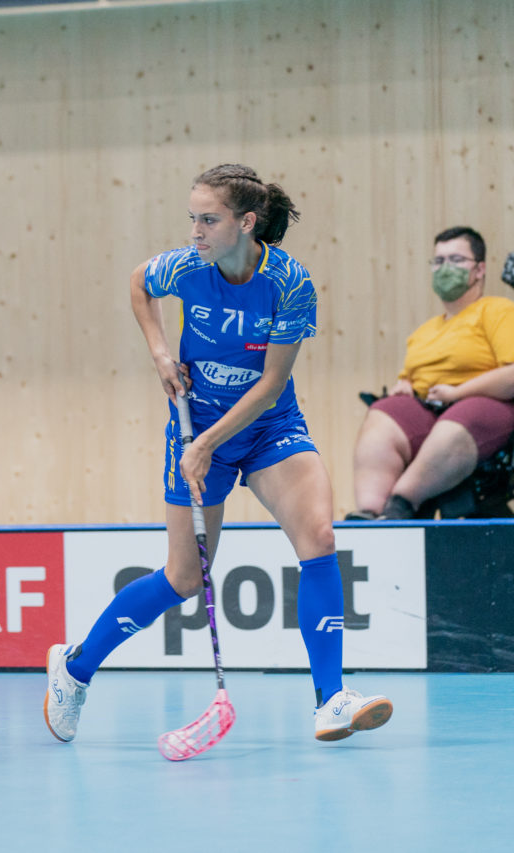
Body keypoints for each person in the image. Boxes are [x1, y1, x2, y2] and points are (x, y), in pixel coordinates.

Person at [43, 164, 393, 746]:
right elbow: (138, 282)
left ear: (246, 222)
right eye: (192, 218)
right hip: (196, 422)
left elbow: (271, 386)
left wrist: (207, 447)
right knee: (183, 578)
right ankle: (74, 668)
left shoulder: (289, 283)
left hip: (266, 427)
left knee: (320, 540)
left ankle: (330, 699)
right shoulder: (186, 268)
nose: (195, 231)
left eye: (208, 219)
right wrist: (159, 351)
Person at [349, 226, 514, 520]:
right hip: (432, 409)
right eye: (438, 261)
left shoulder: (498, 311)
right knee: (383, 412)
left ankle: (403, 502)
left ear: (479, 270)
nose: (444, 268)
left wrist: (458, 393)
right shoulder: (423, 333)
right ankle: (370, 512)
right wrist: (404, 386)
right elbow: (410, 378)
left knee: (463, 416)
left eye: (455, 260)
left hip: (484, 410)